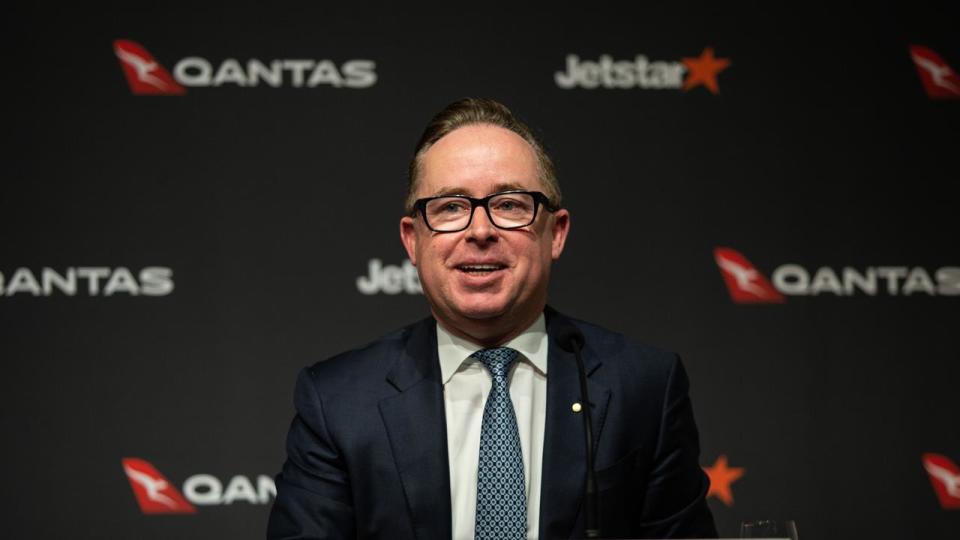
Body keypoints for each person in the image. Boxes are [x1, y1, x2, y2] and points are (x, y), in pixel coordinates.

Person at [267, 98, 717, 539]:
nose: (480, 231)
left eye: (509, 204)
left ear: (555, 233)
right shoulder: (337, 402)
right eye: (449, 207)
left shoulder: (644, 386)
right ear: (412, 241)